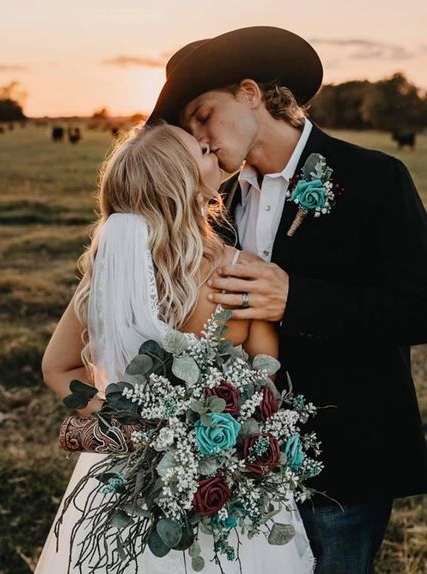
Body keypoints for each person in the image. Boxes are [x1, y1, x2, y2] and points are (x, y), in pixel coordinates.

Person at [146, 25, 427, 574]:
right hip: (233, 458)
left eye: (203, 114)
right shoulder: (212, 200)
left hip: (347, 453)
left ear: (250, 93)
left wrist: (295, 298)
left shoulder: (374, 177)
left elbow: (418, 306)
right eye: (187, 129)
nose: (198, 138)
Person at [35, 122, 316, 572]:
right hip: (223, 474)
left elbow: (57, 367)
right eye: (203, 151)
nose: (214, 150)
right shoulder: (241, 271)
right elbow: (266, 373)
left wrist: (130, 425)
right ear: (183, 185)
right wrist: (213, 437)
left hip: (126, 471)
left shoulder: (108, 274)